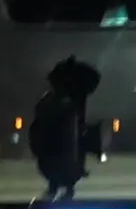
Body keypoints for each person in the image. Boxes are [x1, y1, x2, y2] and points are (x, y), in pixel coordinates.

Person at [29, 56, 101, 200]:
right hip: (58, 149)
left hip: (60, 150)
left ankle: (61, 187)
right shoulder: (65, 100)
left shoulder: (68, 97)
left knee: (66, 156)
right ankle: (62, 187)